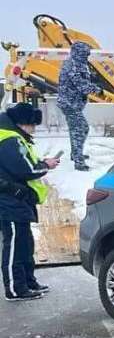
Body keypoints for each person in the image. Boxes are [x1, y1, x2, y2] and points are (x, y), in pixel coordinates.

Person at [0, 102, 61, 301]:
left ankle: (28, 282)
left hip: (19, 199)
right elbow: (25, 169)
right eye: (33, 125)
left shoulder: (14, 137)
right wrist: (47, 165)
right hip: (10, 200)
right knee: (15, 245)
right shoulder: (10, 139)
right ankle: (15, 288)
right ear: (23, 123)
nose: (34, 129)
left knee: (25, 243)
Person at [56, 42, 101, 171]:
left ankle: (75, 154)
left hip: (74, 103)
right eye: (85, 54)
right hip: (69, 104)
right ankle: (79, 162)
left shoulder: (79, 63)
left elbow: (84, 80)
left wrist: (93, 79)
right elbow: (81, 85)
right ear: (78, 53)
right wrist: (97, 89)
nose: (87, 56)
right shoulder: (72, 65)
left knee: (75, 129)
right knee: (81, 129)